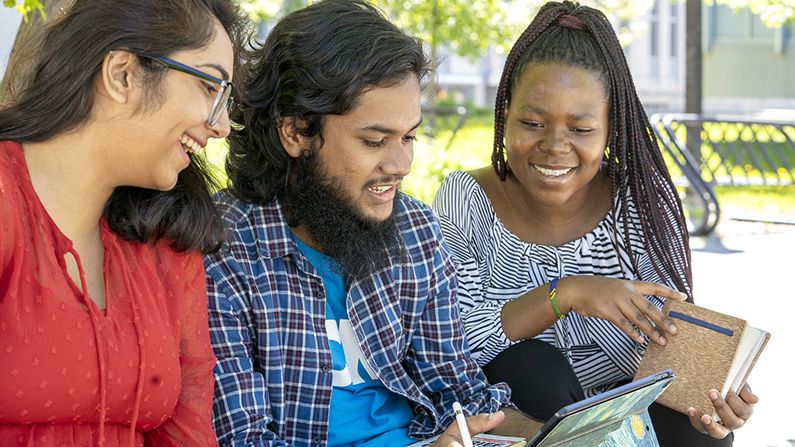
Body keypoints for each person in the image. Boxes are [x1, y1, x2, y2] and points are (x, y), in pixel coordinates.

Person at [204, 1, 540, 446]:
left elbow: (462, 394)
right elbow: (242, 439)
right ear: (296, 133)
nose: (401, 164)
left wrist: (553, 436)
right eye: (375, 140)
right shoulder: (223, 250)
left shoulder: (416, 231)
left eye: (409, 137)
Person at [432, 2, 757, 447]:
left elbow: (672, 344)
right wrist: (566, 294)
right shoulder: (466, 199)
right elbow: (453, 348)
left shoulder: (639, 202)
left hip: (630, 421)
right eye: (532, 122)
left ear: (611, 128)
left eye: (581, 130)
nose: (554, 146)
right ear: (504, 111)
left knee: (702, 433)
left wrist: (714, 398)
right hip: (519, 421)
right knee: (534, 365)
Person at [0, 1, 247, 445]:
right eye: (210, 88)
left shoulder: (166, 236)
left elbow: (187, 431)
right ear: (123, 75)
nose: (223, 125)